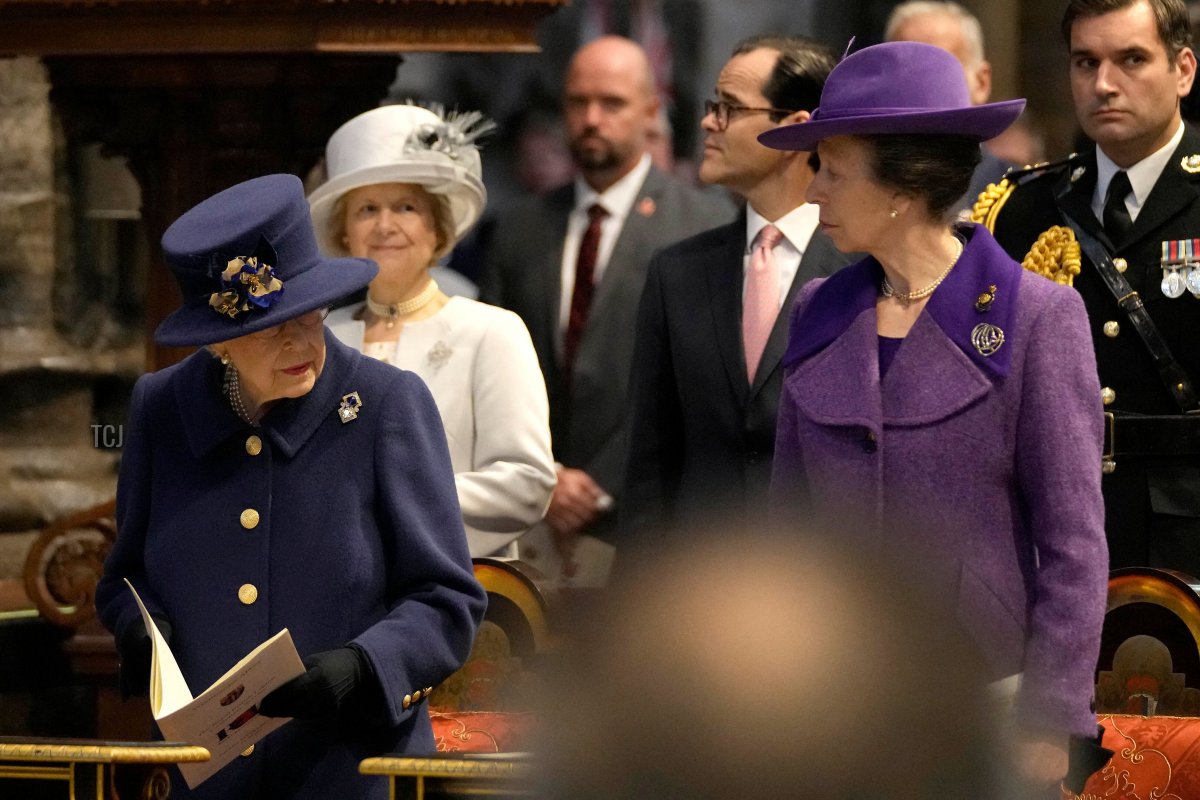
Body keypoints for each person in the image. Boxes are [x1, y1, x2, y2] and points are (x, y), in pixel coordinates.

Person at [759, 42, 1110, 796]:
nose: (811, 191)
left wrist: (1051, 724)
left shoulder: (1039, 317)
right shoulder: (821, 309)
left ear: (901, 188)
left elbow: (1074, 546)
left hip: (984, 716)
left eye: (830, 169)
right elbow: (786, 533)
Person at [95, 174, 487, 800]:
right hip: (207, 779)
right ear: (218, 342)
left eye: (310, 315)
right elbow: (124, 578)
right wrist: (140, 628)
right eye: (271, 329)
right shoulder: (161, 409)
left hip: (350, 771)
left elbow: (447, 600)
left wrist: (364, 666)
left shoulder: (388, 406)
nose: (303, 344)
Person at [478, 35, 734, 582]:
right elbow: (490, 371)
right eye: (577, 102)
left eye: (612, 103)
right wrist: (546, 478)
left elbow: (698, 379)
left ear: (649, 111)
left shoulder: (704, 225)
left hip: (645, 524)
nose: (592, 118)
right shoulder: (517, 229)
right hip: (527, 522)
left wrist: (600, 483)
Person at [976, 0, 1200, 578]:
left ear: (1184, 70)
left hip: (1187, 531)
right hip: (1053, 534)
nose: (1104, 84)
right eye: (1085, 62)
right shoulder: (1021, 209)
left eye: (1131, 59)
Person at [622, 34, 849, 550]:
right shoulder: (676, 272)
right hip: (698, 588)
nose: (708, 123)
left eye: (730, 109)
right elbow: (650, 470)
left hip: (825, 590)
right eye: (712, 107)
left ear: (797, 130)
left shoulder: (862, 269)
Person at [308, 103, 557, 558]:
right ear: (345, 232)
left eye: (406, 206)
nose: (385, 226)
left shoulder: (491, 332)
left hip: (458, 589)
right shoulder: (321, 338)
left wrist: (391, 505)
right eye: (366, 209)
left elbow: (526, 483)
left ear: (438, 229)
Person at [885, 0, 1019, 212]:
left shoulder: (1021, 197)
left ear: (981, 83)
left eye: (938, 71)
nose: (919, 87)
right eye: (904, 71)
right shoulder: (859, 190)